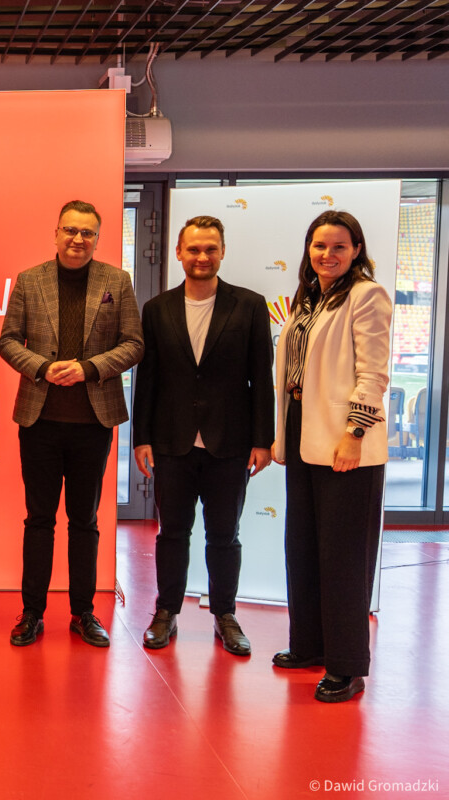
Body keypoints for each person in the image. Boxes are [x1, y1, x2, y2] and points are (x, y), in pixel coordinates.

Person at [0, 199, 144, 648]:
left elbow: (134, 344)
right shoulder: (30, 279)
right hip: (39, 420)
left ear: (97, 238)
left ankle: (83, 613)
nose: (78, 239)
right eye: (70, 230)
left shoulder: (116, 281)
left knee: (85, 521)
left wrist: (88, 368)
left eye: (87, 233)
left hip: (92, 422)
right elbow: (8, 341)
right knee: (38, 520)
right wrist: (43, 367)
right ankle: (32, 613)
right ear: (56, 233)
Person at [132, 216, 273, 655]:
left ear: (222, 252)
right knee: (172, 533)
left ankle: (225, 615)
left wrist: (263, 440)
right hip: (171, 442)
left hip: (230, 443)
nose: (202, 256)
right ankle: (166, 612)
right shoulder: (157, 309)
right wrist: (141, 438)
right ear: (179, 253)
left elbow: (261, 379)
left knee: (224, 535)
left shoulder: (250, 305)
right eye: (193, 249)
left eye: (211, 248)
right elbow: (148, 379)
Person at [271, 210, 391, 703]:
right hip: (304, 430)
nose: (328, 254)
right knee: (303, 546)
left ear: (356, 250)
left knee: (343, 557)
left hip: (346, 439)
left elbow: (374, 373)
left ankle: (346, 666)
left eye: (339, 246)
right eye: (320, 246)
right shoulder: (308, 297)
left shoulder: (366, 295)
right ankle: (310, 645)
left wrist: (355, 432)